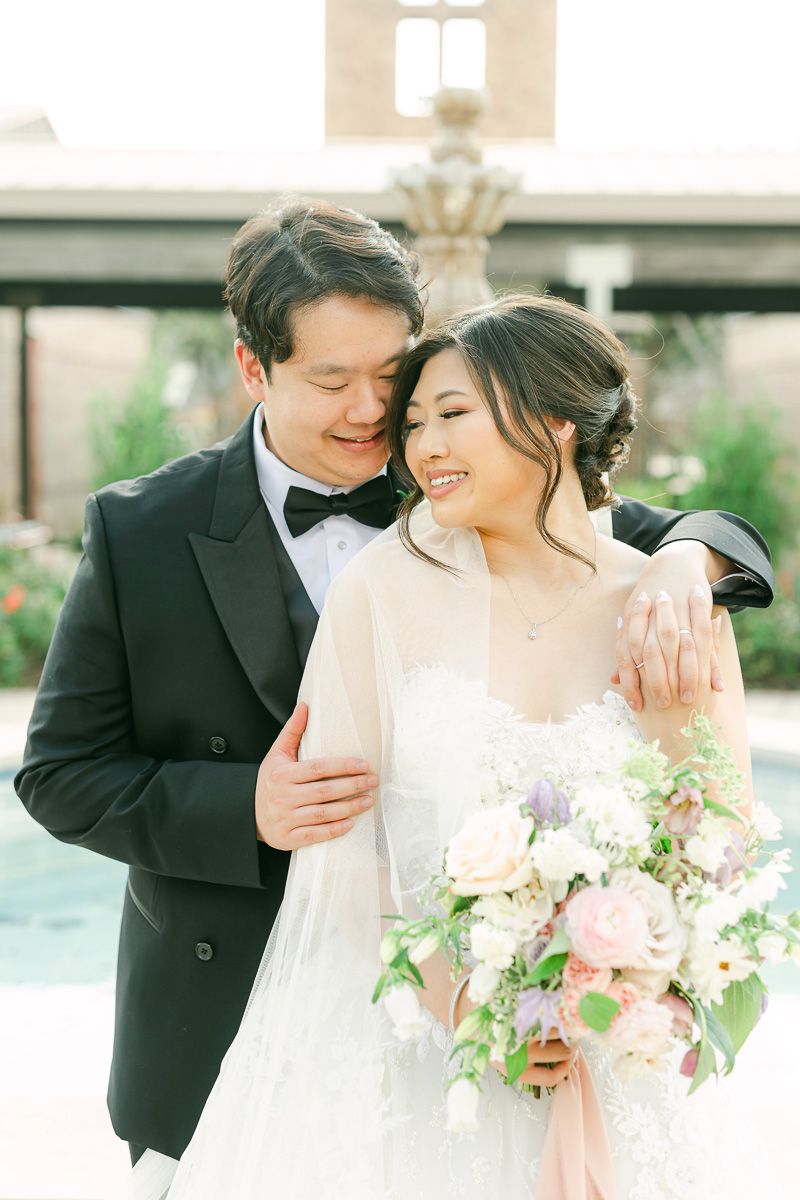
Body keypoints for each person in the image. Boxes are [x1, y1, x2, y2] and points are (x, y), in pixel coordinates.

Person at [15, 200, 774, 1170]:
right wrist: (244, 804)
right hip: (221, 1014)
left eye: (393, 374)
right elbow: (60, 774)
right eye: (332, 379)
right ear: (254, 367)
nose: (375, 412)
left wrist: (687, 561)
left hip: (498, 1017)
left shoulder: (470, 485)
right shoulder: (143, 533)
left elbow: (663, 526)